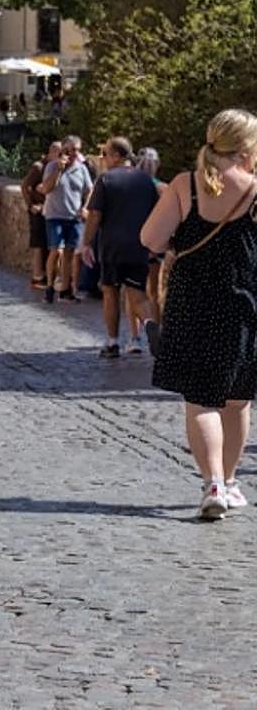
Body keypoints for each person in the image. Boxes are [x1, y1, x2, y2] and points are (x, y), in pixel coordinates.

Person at [141, 108, 257, 520]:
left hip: (192, 304)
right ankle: (228, 481)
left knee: (200, 400)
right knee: (238, 399)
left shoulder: (184, 185)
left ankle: (212, 485)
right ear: (246, 148)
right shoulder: (254, 190)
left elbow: (150, 237)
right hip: (243, 306)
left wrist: (175, 247)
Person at [76, 137, 158, 358]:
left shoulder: (106, 179)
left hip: (112, 246)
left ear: (116, 156)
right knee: (138, 294)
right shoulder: (146, 181)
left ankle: (112, 342)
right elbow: (156, 214)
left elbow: (94, 214)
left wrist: (86, 243)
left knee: (110, 291)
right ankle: (150, 324)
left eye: (105, 154)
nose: (103, 159)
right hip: (139, 246)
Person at [37, 136, 94, 304]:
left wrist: (85, 207)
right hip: (55, 215)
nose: (74, 153)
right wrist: (58, 170)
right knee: (57, 250)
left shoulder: (81, 169)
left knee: (69, 253)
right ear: (63, 150)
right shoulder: (52, 166)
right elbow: (46, 188)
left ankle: (65, 289)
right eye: (70, 150)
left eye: (77, 150)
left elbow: (89, 190)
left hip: (74, 217)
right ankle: (49, 285)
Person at [21, 142, 61, 289]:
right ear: (51, 151)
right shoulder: (39, 167)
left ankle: (49, 276)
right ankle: (37, 276)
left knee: (49, 244)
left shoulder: (57, 168)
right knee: (38, 243)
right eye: (57, 152)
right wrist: (31, 205)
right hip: (38, 210)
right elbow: (25, 186)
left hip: (50, 210)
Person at [136, 147, 167, 323]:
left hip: (134, 242)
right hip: (154, 243)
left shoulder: (130, 186)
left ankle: (135, 335)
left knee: (134, 290)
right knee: (155, 289)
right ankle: (157, 327)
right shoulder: (162, 188)